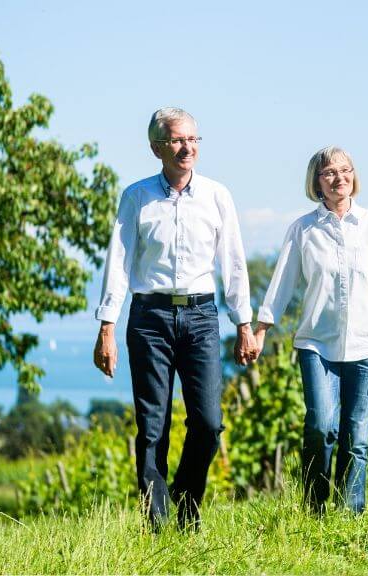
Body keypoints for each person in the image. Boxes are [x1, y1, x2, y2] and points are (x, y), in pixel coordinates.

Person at [92, 107, 258, 530]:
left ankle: (186, 504)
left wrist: (243, 323)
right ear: (157, 148)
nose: (188, 148)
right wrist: (106, 326)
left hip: (202, 315)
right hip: (149, 317)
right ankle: (158, 521)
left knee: (207, 422)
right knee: (152, 424)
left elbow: (233, 262)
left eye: (193, 140)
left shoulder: (218, 195)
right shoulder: (137, 196)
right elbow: (119, 261)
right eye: (178, 140)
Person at [254, 146, 368, 515]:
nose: (338, 178)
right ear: (316, 181)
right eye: (329, 172)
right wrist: (261, 328)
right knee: (321, 426)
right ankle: (314, 508)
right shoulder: (303, 229)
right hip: (317, 343)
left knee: (357, 436)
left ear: (354, 177)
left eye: (345, 171)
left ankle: (350, 514)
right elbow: (282, 282)